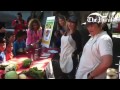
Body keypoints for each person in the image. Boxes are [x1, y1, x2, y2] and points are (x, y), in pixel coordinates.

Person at [76, 13, 113, 79]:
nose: (89, 28)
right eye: (88, 25)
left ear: (101, 25)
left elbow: (107, 62)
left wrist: (91, 75)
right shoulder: (94, 35)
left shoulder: (104, 39)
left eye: (92, 25)